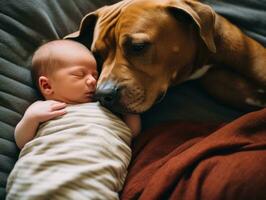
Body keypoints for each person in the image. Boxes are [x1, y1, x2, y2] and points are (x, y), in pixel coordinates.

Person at [6, 39, 141, 200]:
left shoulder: (108, 107)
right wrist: (31, 118)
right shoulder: (44, 109)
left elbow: (131, 132)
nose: (93, 81)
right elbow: (23, 141)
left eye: (95, 75)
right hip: (41, 176)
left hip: (95, 182)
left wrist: (128, 107)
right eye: (79, 74)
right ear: (47, 86)